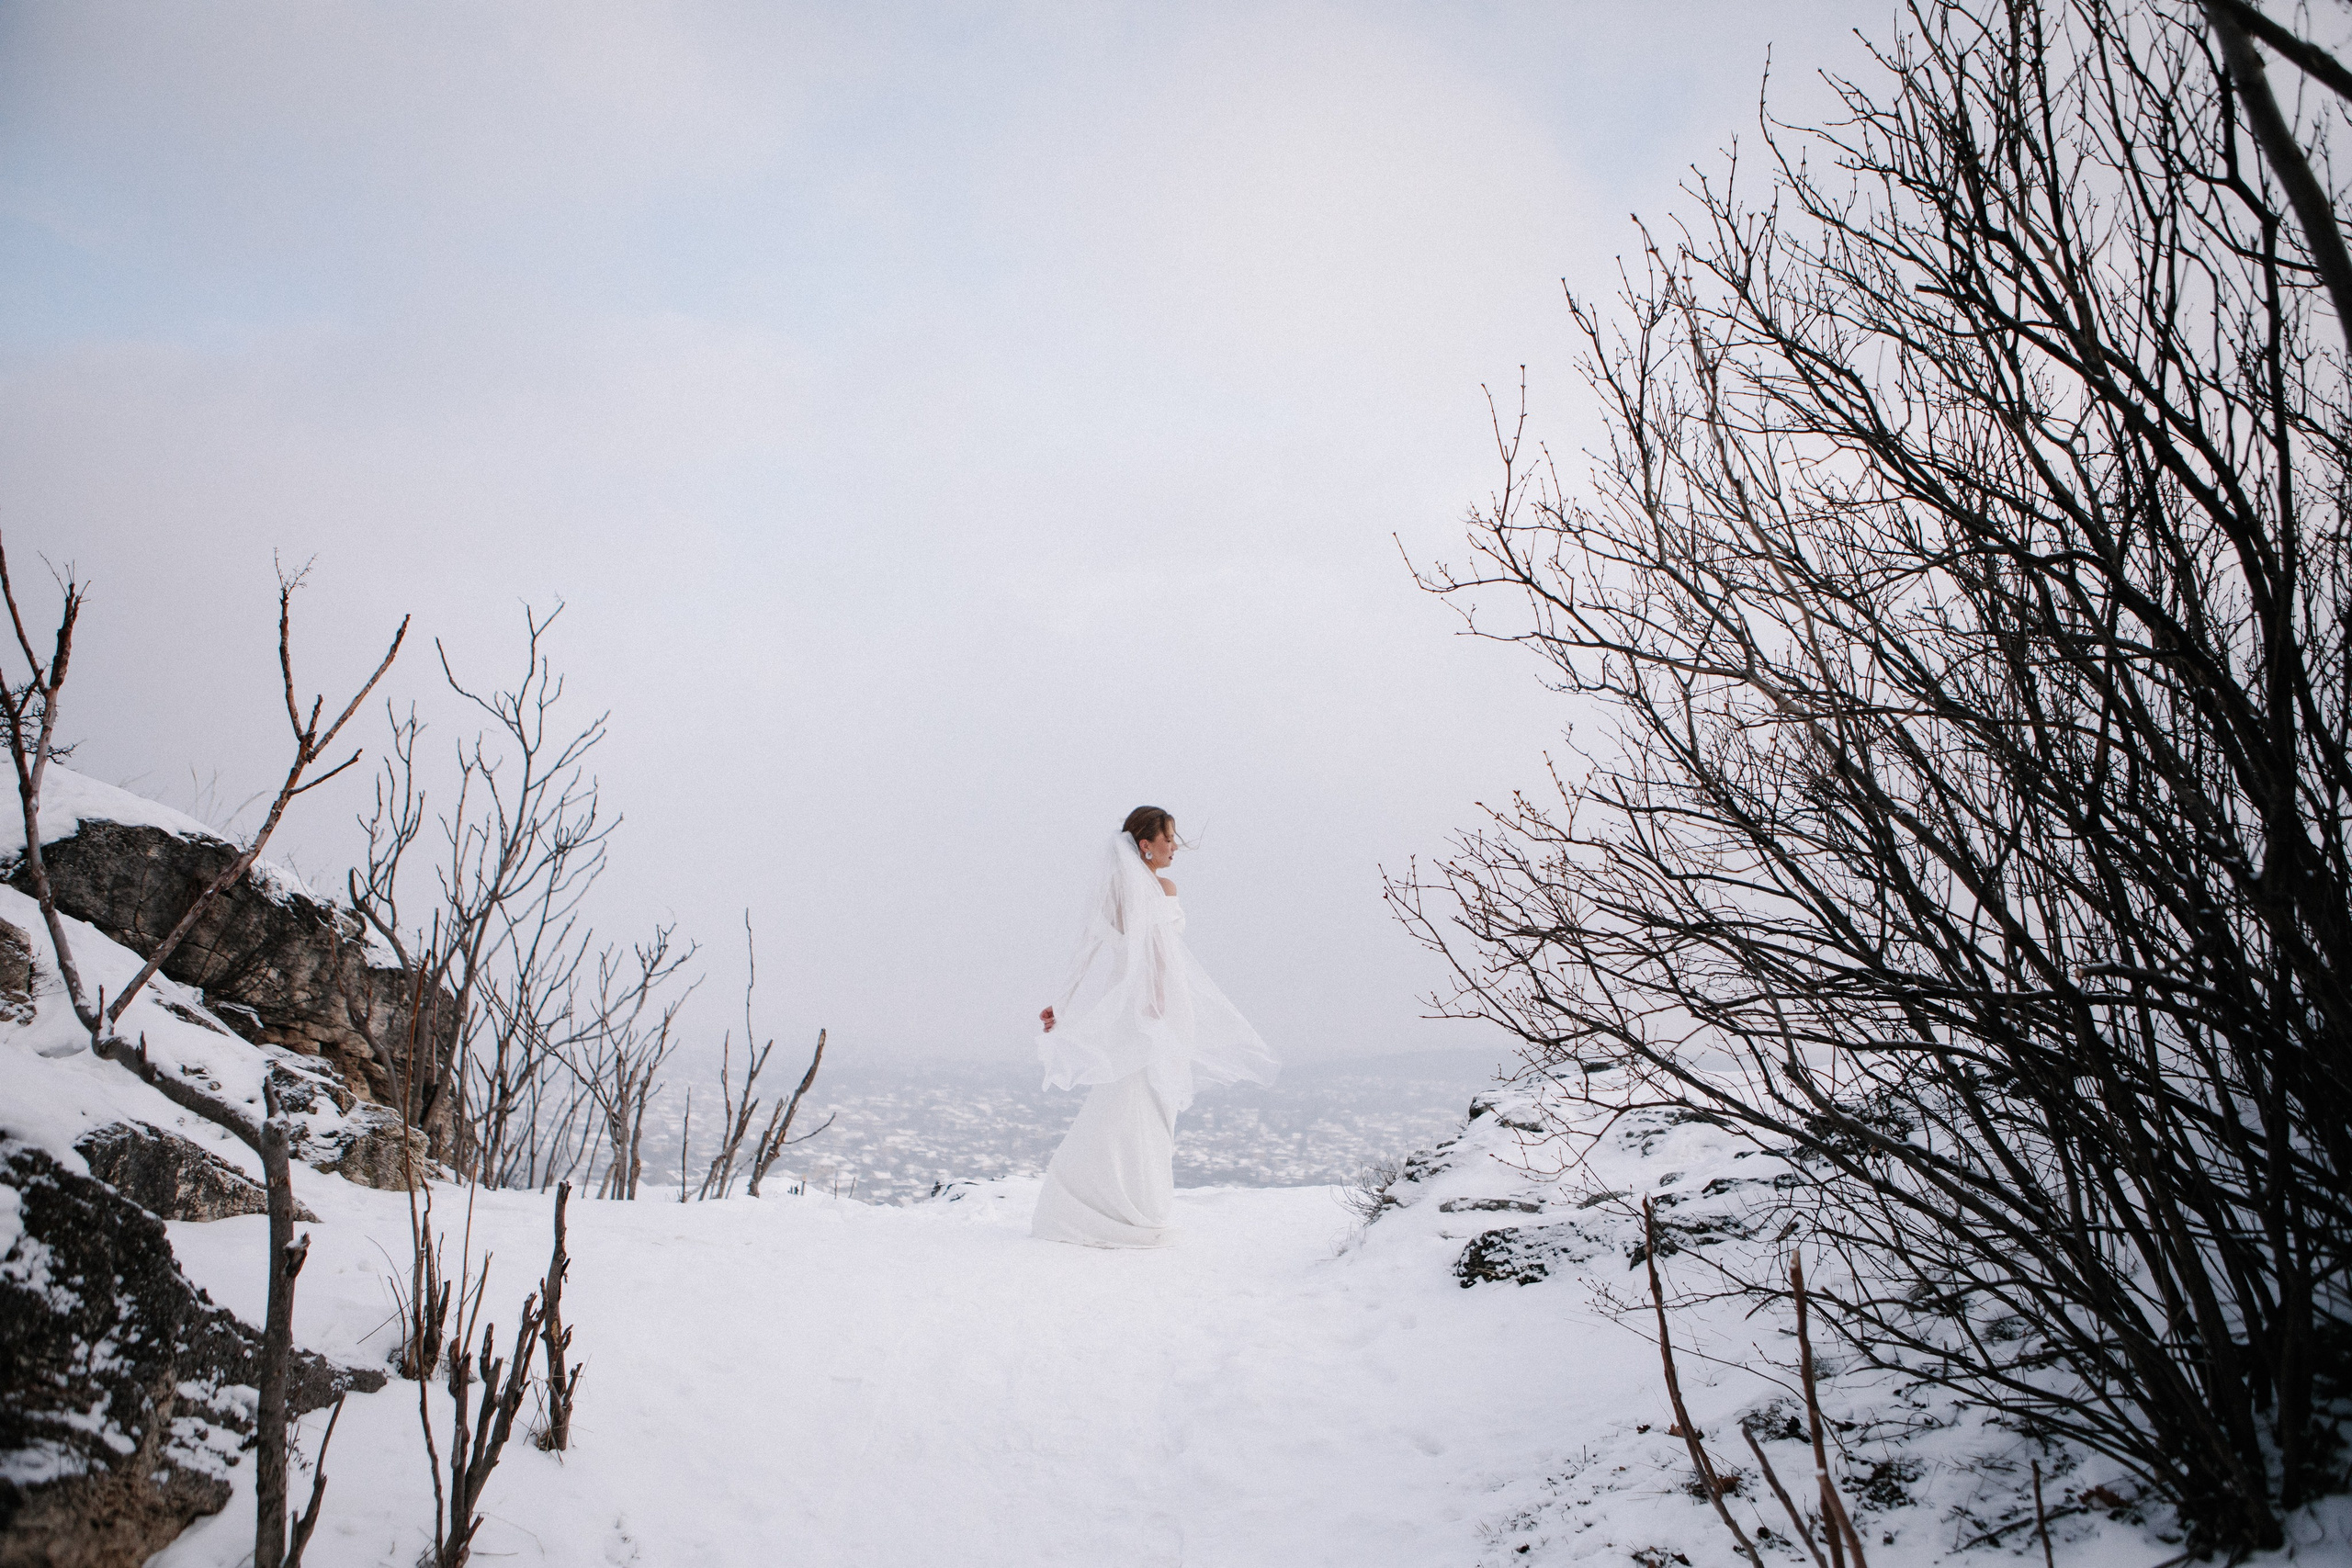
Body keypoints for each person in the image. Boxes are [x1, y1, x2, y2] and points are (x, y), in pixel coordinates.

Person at [1030, 806, 1278, 1247]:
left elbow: (1105, 951)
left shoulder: (1140, 889)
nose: (1175, 847)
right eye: (1168, 839)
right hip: (1151, 1007)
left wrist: (1066, 1002)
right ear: (1145, 845)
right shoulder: (1144, 890)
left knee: (1145, 1100)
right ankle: (1108, 1205)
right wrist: (1069, 1004)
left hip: (1151, 1006)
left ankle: (1118, 1201)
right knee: (1134, 1098)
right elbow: (1126, 949)